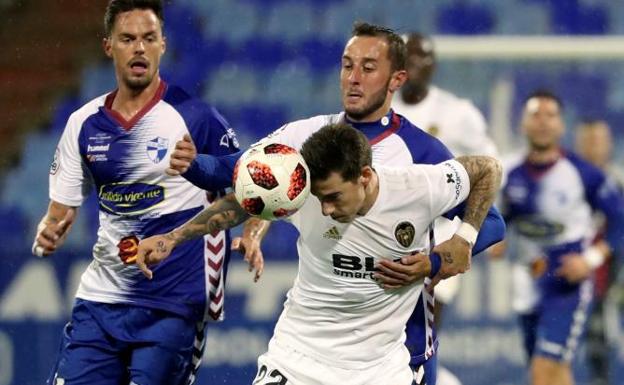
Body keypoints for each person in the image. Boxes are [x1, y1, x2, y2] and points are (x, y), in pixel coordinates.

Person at [168, 22, 506, 384]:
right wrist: (192, 165)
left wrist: (444, 254)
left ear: (397, 79)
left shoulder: (422, 153)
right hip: (312, 343)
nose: (353, 78)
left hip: (400, 342)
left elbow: (492, 221)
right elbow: (230, 170)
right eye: (347, 65)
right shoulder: (305, 136)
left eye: (368, 67)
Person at [136, 122, 503, 385]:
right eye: (319, 198)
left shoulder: (418, 187)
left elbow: (487, 168)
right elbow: (237, 207)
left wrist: (462, 239)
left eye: (333, 197)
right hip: (297, 358)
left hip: (378, 370)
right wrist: (173, 238)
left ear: (364, 176)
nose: (323, 208)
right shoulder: (303, 191)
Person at [30, 1, 240, 384]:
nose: (139, 48)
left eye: (148, 38)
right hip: (101, 300)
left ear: (163, 43)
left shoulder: (196, 117)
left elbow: (247, 186)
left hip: (172, 304)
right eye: (128, 39)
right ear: (109, 45)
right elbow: (60, 209)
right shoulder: (83, 124)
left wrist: (252, 228)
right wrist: (50, 226)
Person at [494, 91, 624, 385]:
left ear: (562, 126)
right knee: (549, 372)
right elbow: (500, 216)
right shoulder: (508, 172)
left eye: (550, 116)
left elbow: (620, 221)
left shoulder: (584, 174)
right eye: (535, 115)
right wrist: (495, 237)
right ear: (522, 123)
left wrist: (590, 260)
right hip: (528, 281)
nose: (542, 123)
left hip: (567, 285)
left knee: (544, 369)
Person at [392, 33, 499, 385]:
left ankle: (423, 374)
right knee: (393, 326)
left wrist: (484, 222)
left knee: (425, 319)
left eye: (423, 57)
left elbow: (492, 165)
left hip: (444, 232)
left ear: (434, 64)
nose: (416, 63)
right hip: (389, 231)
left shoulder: (458, 113)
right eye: (409, 56)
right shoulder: (383, 110)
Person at [575, 120, 624, 385]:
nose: (594, 145)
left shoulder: (618, 182)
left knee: (601, 350)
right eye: (588, 139)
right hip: (570, 278)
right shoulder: (566, 178)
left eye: (599, 140)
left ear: (609, 144)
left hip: (609, 280)